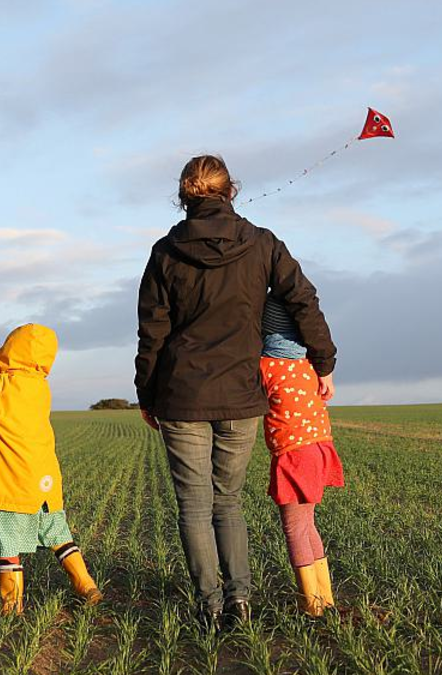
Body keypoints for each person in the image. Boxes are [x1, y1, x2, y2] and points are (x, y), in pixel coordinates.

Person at [135, 155, 336, 629]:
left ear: (185, 197)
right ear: (231, 192)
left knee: (194, 506)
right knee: (228, 502)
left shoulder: (165, 252)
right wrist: (322, 361)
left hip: (182, 397)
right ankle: (239, 602)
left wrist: (146, 393)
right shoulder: (262, 243)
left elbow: (151, 333)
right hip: (243, 396)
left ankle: (208, 606)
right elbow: (302, 300)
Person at [0, 324, 103, 615]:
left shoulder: (0, 388)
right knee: (59, 536)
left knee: (6, 544)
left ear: (10, 349)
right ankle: (86, 585)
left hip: (11, 482)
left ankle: (11, 604)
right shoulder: (38, 386)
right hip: (44, 483)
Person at [259, 297, 344, 616]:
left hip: (295, 456)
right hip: (319, 449)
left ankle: (311, 606)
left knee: (294, 528)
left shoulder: (266, 366)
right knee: (307, 525)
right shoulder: (310, 365)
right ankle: (326, 599)